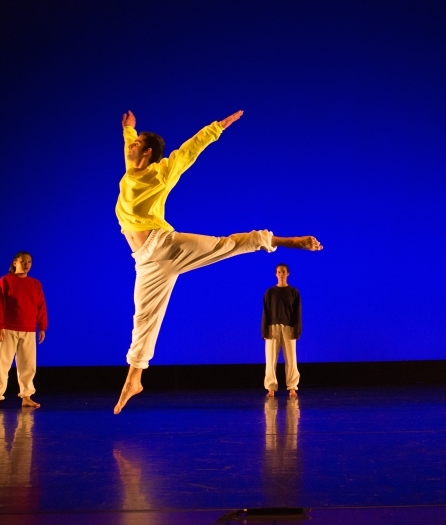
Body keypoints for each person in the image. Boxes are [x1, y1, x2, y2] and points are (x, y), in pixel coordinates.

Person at [114, 109, 323, 414]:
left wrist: (217, 127)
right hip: (145, 262)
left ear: (147, 153)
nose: (129, 148)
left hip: (165, 246)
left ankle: (286, 241)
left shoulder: (160, 173)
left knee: (226, 245)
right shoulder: (131, 171)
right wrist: (129, 130)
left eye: (135, 145)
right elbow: (129, 146)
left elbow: (188, 151)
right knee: (144, 320)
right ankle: (134, 379)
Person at [0, 251, 48, 410]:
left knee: (28, 365)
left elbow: (40, 306)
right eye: (23, 261)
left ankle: (26, 396)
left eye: (29, 261)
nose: (26, 264)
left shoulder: (35, 284)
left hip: (28, 329)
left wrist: (42, 326)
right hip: (7, 329)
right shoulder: (5, 281)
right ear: (15, 263)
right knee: (1, 365)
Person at [262, 263, 302, 397]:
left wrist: (297, 329)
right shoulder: (270, 292)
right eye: (279, 272)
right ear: (276, 274)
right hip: (272, 328)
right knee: (271, 358)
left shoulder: (293, 292)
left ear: (287, 274)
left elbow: (297, 312)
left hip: (289, 328)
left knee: (291, 358)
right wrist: (264, 330)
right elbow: (266, 312)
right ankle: (271, 387)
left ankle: (292, 386)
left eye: (283, 272)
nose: (281, 274)